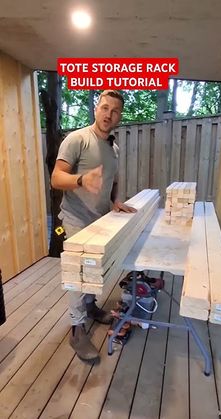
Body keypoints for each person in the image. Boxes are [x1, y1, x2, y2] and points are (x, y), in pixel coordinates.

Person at [51, 90, 136, 363]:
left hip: (99, 219)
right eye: (104, 107)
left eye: (114, 111)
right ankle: (77, 329)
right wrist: (80, 180)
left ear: (119, 116)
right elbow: (56, 178)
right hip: (76, 220)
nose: (108, 114)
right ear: (96, 109)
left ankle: (89, 306)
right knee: (77, 275)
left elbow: (113, 177)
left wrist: (115, 200)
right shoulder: (77, 139)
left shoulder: (114, 147)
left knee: (93, 269)